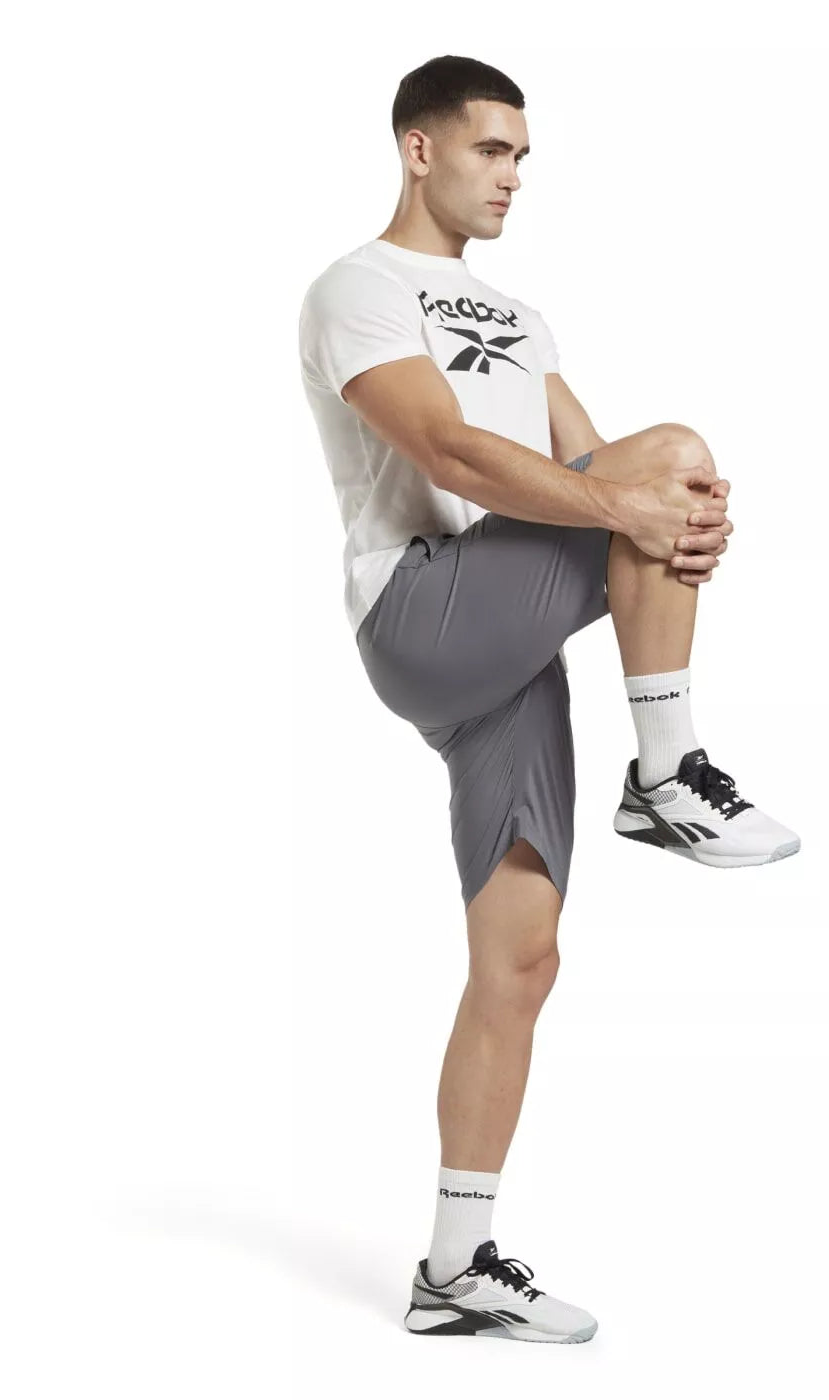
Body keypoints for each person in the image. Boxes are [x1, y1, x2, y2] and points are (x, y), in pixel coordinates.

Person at [297, 54, 800, 1345]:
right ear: (419, 149)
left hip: (508, 649)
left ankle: (454, 1269)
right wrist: (645, 501)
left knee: (520, 961)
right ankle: (668, 772)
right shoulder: (361, 286)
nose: (512, 176)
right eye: (490, 149)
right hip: (422, 606)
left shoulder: (523, 318)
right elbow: (450, 449)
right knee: (671, 459)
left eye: (522, 156)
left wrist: (674, 528)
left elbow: (590, 467)